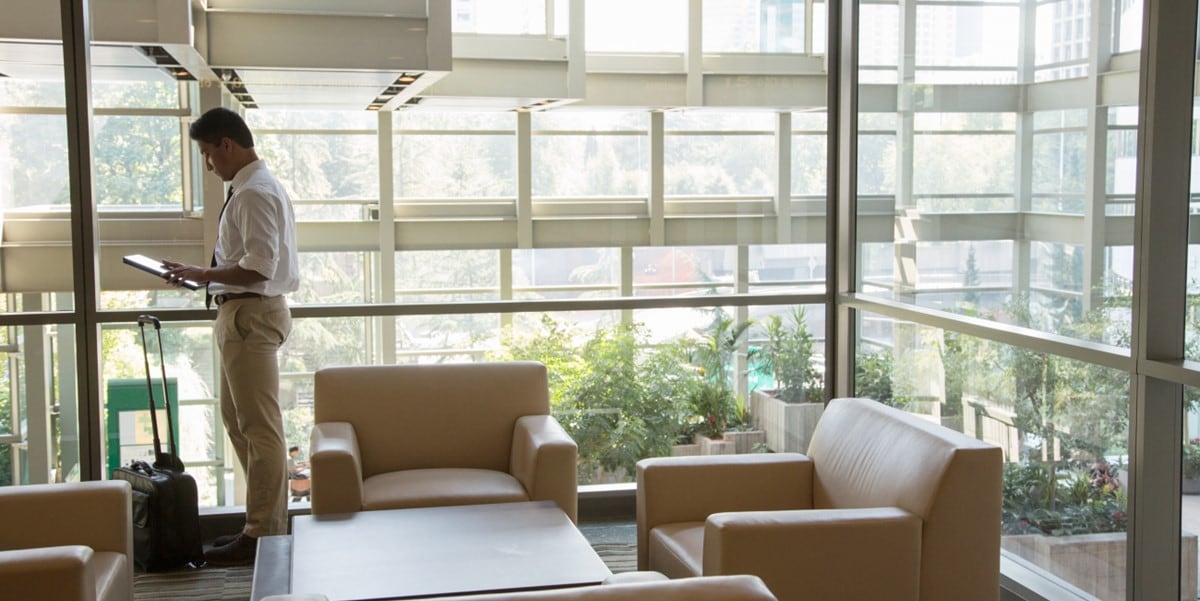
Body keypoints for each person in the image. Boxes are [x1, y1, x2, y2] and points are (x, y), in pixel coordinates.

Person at [164, 107, 299, 567]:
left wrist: (203, 274)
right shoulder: (250, 188)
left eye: (207, 153)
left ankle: (262, 534)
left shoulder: (254, 193)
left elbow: (259, 267)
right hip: (243, 313)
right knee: (240, 421)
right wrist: (204, 277)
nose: (207, 164)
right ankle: (264, 525)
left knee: (260, 428)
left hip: (251, 315)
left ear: (227, 144)